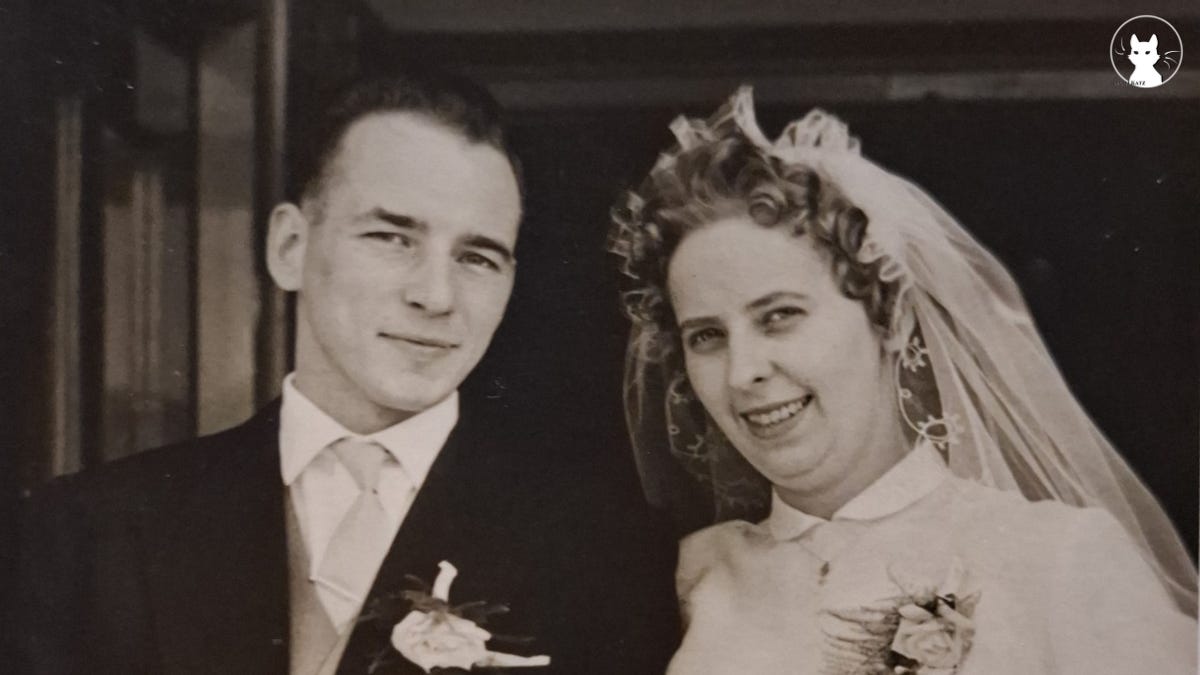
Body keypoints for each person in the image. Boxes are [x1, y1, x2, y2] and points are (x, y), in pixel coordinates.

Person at [13, 71, 680, 674]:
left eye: (478, 257)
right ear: (290, 247)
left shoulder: (607, 550)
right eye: (392, 237)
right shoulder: (90, 533)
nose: (436, 295)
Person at [609, 87, 1197, 674]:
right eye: (706, 336)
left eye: (779, 316)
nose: (743, 373)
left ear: (889, 317)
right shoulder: (688, 578)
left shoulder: (1058, 558)